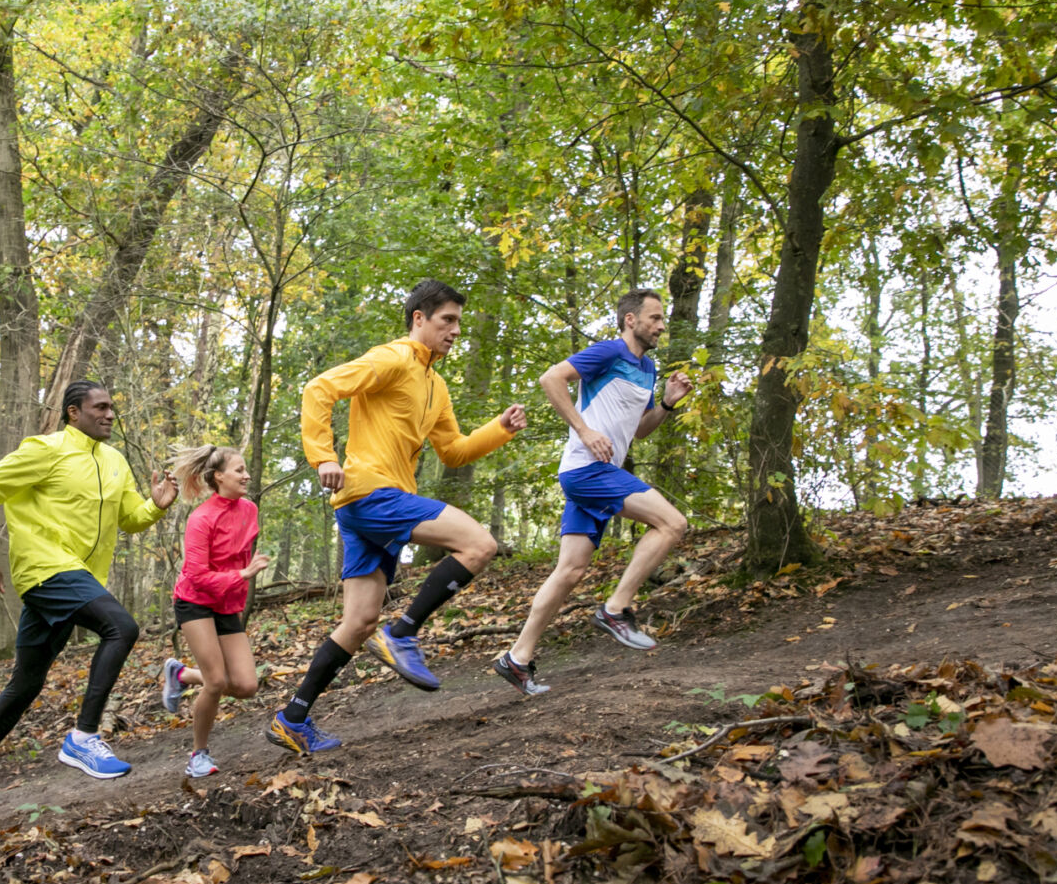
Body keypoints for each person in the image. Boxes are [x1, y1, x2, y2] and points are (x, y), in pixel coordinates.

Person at [266, 279, 527, 755]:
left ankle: (292, 718)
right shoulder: (392, 358)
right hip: (371, 492)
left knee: (359, 621)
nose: (454, 331)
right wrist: (323, 456)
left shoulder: (436, 384)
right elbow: (319, 389)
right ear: (419, 319)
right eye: (446, 321)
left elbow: (453, 452)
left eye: (459, 324)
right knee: (479, 545)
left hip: (369, 506)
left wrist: (499, 430)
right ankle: (403, 633)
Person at [0, 381, 178, 824]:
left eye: (110, 407)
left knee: (26, 683)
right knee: (121, 627)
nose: (108, 414)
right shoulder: (45, 450)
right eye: (99, 407)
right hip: (45, 569)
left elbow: (129, 520)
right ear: (72, 413)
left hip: (77, 578)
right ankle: (84, 736)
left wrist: (156, 506)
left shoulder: (116, 462)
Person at [493, 288, 692, 697]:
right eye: (654, 318)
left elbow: (639, 428)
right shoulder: (607, 352)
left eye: (662, 319)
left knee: (570, 571)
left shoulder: (649, 368)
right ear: (631, 320)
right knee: (673, 523)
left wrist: (668, 405)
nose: (660, 326)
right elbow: (551, 378)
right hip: (587, 470)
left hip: (600, 474)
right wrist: (584, 430)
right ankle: (615, 610)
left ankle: (517, 657)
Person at [158, 446, 271, 777]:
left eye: (246, 469)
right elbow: (196, 575)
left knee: (247, 686)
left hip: (226, 602)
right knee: (217, 680)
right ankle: (198, 755)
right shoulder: (201, 517)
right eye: (239, 470)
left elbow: (239, 554)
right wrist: (244, 575)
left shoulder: (249, 510)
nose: (246, 475)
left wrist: (242, 576)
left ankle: (181, 675)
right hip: (194, 600)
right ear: (218, 476)